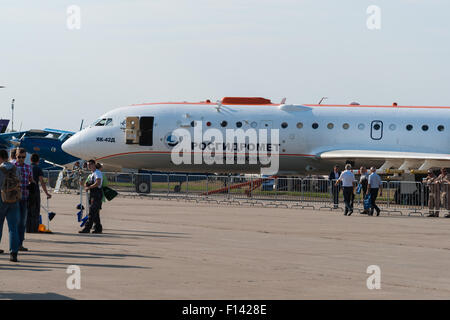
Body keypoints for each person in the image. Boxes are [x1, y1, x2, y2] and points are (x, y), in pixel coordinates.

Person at [0, 149, 21, 262]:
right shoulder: (15, 168)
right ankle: (14, 253)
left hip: (1, 199)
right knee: (13, 228)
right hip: (14, 199)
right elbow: (20, 181)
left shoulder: (0, 169)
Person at [14, 148, 35, 251]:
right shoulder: (12, 166)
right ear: (16, 156)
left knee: (22, 222)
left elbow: (31, 180)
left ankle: (20, 244)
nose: (21, 159)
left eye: (23, 157)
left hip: (25, 198)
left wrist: (32, 185)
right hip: (14, 199)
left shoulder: (28, 167)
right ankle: (14, 244)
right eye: (19, 157)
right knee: (15, 222)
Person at [27, 153, 52, 232]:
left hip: (27, 190)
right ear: (38, 160)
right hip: (35, 190)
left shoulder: (27, 167)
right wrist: (46, 193)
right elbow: (42, 182)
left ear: (31, 160)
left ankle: (27, 228)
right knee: (36, 209)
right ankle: (34, 228)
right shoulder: (38, 169)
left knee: (28, 209)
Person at [79, 159, 103, 234]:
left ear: (93, 165)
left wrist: (89, 187)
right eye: (88, 164)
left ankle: (87, 228)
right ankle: (98, 228)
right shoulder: (91, 174)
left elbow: (98, 183)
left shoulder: (97, 173)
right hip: (92, 194)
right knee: (95, 213)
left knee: (92, 212)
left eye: (90, 164)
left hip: (97, 194)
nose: (89, 166)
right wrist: (82, 184)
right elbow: (87, 185)